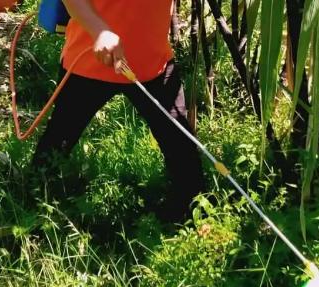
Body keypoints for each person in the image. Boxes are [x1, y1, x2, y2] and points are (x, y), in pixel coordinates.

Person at [31, 0, 205, 223]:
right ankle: (31, 211)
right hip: (89, 64)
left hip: (153, 64)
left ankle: (192, 216)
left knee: (183, 152)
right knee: (56, 146)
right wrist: (99, 30)